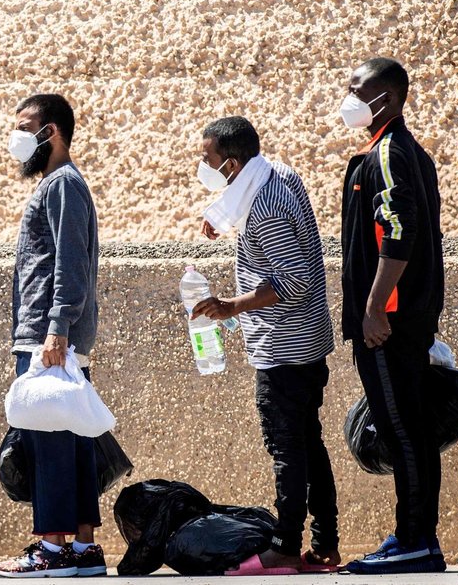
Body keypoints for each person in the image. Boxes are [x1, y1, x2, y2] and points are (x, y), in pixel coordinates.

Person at [189, 117, 340, 576]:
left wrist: (231, 306)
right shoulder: (278, 175)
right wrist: (221, 219)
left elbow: (292, 280)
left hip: (284, 347)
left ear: (232, 164)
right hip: (307, 343)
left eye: (209, 159)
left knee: (286, 447)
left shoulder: (265, 207)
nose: (203, 165)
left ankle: (286, 546)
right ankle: (325, 545)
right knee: (309, 444)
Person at [336, 58, 445, 575]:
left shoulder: (389, 154)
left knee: (401, 430)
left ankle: (415, 540)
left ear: (388, 99)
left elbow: (399, 235)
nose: (349, 97)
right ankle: (417, 536)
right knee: (412, 431)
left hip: (391, 324)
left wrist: (375, 308)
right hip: (402, 320)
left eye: (359, 90)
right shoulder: (398, 151)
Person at [0, 94, 105, 578]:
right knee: (71, 437)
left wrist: (56, 329)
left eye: (25, 126)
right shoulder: (61, 184)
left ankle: (53, 550)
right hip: (53, 335)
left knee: (48, 440)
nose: (17, 137)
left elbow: (69, 263)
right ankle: (82, 549)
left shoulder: (62, 185)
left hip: (48, 335)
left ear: (51, 131)